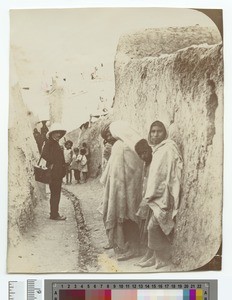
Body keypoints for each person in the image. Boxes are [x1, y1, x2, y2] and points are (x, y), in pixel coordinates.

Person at [100, 120, 152, 261]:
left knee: (127, 216)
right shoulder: (133, 145)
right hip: (132, 188)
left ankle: (134, 249)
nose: (109, 138)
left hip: (122, 189)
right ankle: (130, 245)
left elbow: (115, 172)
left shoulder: (120, 146)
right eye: (107, 136)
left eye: (110, 134)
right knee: (130, 215)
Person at [136, 121, 183, 268]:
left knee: (152, 227)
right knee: (148, 227)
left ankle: (160, 257)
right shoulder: (156, 150)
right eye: (153, 132)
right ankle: (152, 256)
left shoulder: (168, 148)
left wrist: (152, 194)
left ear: (165, 133)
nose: (155, 134)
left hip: (164, 195)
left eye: (159, 131)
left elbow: (168, 174)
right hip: (154, 195)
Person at [42, 123, 67, 221]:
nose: (58, 135)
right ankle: (54, 214)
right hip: (54, 173)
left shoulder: (55, 143)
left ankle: (54, 213)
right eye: (56, 133)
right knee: (55, 193)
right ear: (52, 133)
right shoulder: (49, 143)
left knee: (55, 193)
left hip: (57, 172)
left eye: (59, 133)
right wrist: (53, 162)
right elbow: (44, 154)